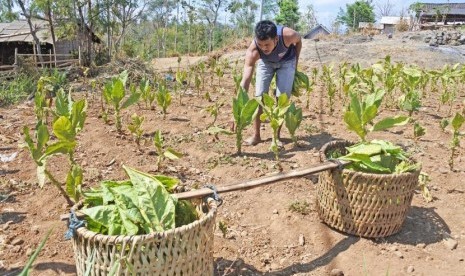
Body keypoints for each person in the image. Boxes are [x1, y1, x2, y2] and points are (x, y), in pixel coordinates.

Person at [240, 20, 302, 146]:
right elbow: (245, 79)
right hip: (266, 63)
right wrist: (237, 108)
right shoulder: (253, 50)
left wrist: (295, 63)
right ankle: (256, 136)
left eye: (267, 44)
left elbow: (299, 41)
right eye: (260, 44)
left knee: (282, 99)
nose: (263, 48)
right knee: (259, 97)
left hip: (287, 62)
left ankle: (276, 137)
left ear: (276, 40)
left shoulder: (288, 35)